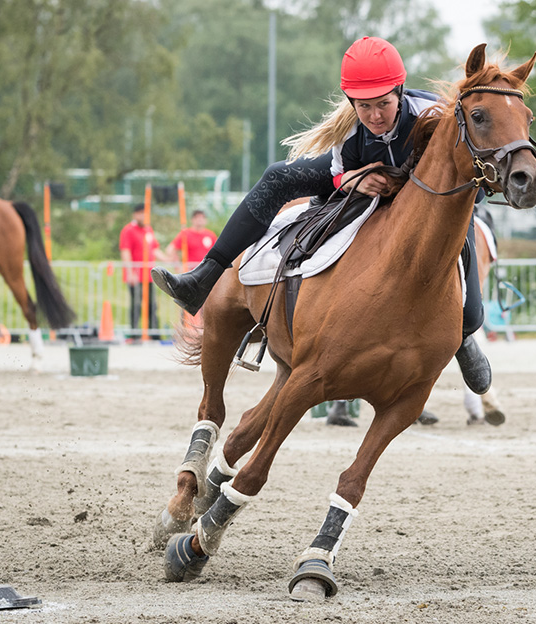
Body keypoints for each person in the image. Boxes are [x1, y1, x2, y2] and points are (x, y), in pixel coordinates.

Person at [151, 36, 490, 393]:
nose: (374, 116)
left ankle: (466, 333)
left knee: (459, 220)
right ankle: (202, 279)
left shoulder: (432, 115)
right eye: (364, 106)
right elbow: (340, 174)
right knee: (277, 176)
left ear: (401, 92)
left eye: (384, 105)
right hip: (361, 180)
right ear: (350, 102)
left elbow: (468, 182)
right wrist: (351, 181)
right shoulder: (349, 127)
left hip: (429, 198)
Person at [119, 204, 170, 337]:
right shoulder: (128, 230)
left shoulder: (148, 230)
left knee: (152, 305)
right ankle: (134, 333)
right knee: (136, 305)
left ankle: (154, 334)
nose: (143, 216)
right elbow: (125, 251)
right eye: (141, 213)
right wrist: (130, 272)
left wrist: (167, 260)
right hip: (136, 275)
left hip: (148, 276)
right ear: (135, 215)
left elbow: (154, 249)